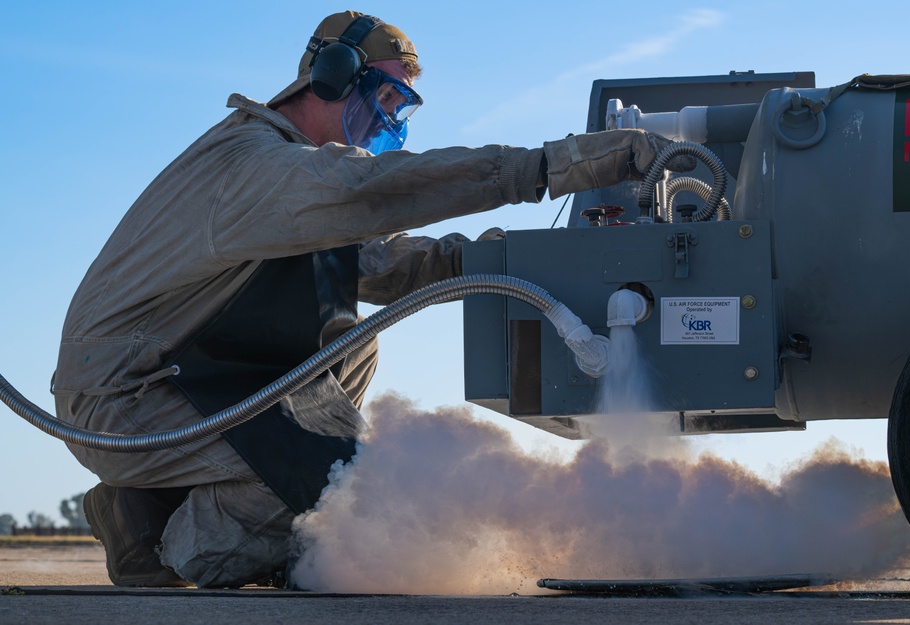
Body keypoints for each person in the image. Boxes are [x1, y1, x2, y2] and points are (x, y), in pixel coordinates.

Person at [52, 10, 691, 588]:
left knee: (351, 344)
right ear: (333, 77)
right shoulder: (256, 166)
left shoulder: (294, 179)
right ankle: (176, 548)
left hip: (173, 377)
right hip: (124, 399)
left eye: (401, 106)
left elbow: (375, 263)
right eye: (386, 97)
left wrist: (489, 262)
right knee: (338, 488)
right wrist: (559, 166)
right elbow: (372, 190)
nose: (390, 120)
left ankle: (143, 507)